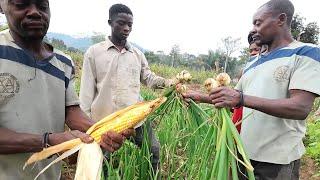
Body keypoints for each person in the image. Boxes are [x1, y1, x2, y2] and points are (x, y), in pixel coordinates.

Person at [184, 0, 320, 179]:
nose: (254, 29)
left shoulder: (305, 53)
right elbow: (233, 99)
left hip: (277, 161)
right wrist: (198, 97)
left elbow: (300, 108)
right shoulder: (252, 63)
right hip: (243, 153)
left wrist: (240, 98)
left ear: (281, 19)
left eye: (258, 23)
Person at [0, 1, 134, 179]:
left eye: (42, 6)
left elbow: (72, 113)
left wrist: (103, 131)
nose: (34, 12)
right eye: (21, 4)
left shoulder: (63, 63)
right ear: (2, 7)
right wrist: (48, 141)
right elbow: (50, 141)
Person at [79, 3, 173, 174]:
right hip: (105, 120)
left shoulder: (137, 55)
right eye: (121, 23)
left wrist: (169, 83)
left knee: (153, 151)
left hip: (135, 118)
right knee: (103, 160)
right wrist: (87, 126)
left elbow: (148, 78)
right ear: (110, 22)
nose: (126, 28)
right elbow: (85, 93)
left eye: (130, 25)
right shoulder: (94, 53)